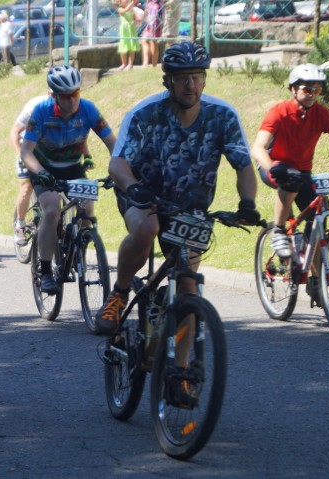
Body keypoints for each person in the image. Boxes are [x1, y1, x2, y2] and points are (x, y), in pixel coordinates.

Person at [97, 41, 259, 348]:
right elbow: (117, 162)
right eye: (183, 77)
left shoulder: (222, 115)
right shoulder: (145, 114)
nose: (191, 84)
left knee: (188, 286)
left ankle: (182, 375)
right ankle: (119, 293)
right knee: (148, 227)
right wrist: (132, 186)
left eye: (198, 76)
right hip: (142, 195)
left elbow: (243, 166)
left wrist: (247, 203)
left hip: (190, 208)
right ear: (167, 80)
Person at [20, 66, 117, 293]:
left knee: (87, 208)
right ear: (54, 95)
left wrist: (117, 170)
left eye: (76, 93)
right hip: (44, 168)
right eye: (66, 96)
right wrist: (41, 172)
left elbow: (113, 143)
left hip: (73, 168)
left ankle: (79, 250)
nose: (73, 100)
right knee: (52, 210)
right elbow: (26, 152)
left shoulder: (88, 109)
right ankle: (45, 271)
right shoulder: (41, 112)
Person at [252, 63, 329, 304]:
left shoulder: (321, 113)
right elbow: (257, 148)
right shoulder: (278, 112)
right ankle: (279, 230)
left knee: (317, 220)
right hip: (274, 167)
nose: (312, 94)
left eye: (317, 90)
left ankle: (315, 279)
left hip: (303, 172)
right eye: (306, 89)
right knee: (290, 178)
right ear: (293, 89)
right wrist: (272, 167)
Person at [10, 95, 95, 246]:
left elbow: (79, 138)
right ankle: (20, 225)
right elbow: (15, 131)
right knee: (26, 187)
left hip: (58, 154)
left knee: (78, 199)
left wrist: (87, 155)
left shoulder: (73, 109)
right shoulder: (36, 106)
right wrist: (19, 154)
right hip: (31, 149)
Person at [116, 0, 140, 71]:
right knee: (123, 47)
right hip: (124, 30)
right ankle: (124, 63)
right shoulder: (120, 9)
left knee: (131, 47)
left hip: (131, 29)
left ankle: (130, 64)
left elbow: (135, 15)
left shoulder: (132, 8)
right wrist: (132, 3)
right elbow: (125, 11)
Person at [140, 0, 162, 68]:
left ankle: (153, 64)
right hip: (151, 10)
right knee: (145, 40)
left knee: (153, 40)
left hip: (155, 11)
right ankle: (146, 63)